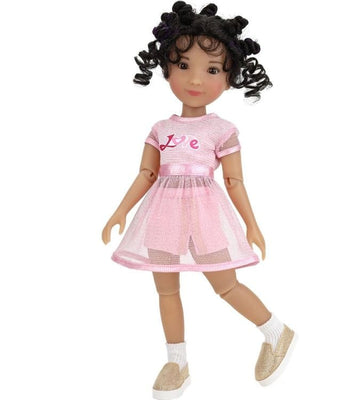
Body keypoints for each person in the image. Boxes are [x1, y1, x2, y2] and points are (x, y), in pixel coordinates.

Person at [102, 2, 296, 399]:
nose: (195, 79)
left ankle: (276, 331)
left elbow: (234, 181)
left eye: (212, 70)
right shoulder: (160, 129)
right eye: (183, 65)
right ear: (166, 68)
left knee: (225, 283)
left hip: (206, 214)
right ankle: (177, 361)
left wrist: (252, 224)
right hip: (162, 216)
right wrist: (120, 210)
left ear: (229, 78)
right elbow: (147, 174)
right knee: (166, 290)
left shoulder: (222, 130)